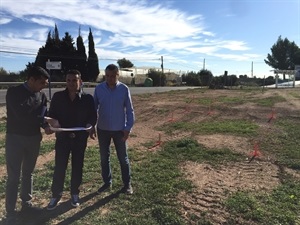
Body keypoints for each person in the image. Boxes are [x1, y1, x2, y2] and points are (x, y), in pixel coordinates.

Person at [5, 66, 52, 224]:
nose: (44, 85)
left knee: (28, 173)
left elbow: (43, 114)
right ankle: (10, 213)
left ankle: (26, 204)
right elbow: (21, 115)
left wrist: (46, 126)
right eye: (41, 82)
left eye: (45, 83)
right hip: (15, 139)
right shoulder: (14, 93)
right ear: (31, 80)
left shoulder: (42, 95)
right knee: (13, 176)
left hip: (33, 139)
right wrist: (43, 120)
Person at [46, 69, 97, 210]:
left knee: (77, 167)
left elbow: (92, 116)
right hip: (62, 138)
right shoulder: (57, 97)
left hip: (80, 139)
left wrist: (89, 124)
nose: (71, 83)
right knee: (59, 167)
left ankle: (75, 193)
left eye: (74, 80)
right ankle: (56, 195)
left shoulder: (87, 99)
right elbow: (52, 114)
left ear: (80, 81)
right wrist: (52, 123)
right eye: (68, 80)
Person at [94, 64, 135, 195]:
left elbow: (129, 110)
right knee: (103, 157)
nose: (110, 78)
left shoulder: (124, 89)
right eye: (107, 76)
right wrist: (92, 125)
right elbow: (93, 109)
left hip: (120, 130)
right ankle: (107, 182)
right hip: (103, 129)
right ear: (105, 75)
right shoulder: (99, 89)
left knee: (123, 158)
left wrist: (128, 128)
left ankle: (127, 184)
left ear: (118, 75)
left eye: (113, 76)